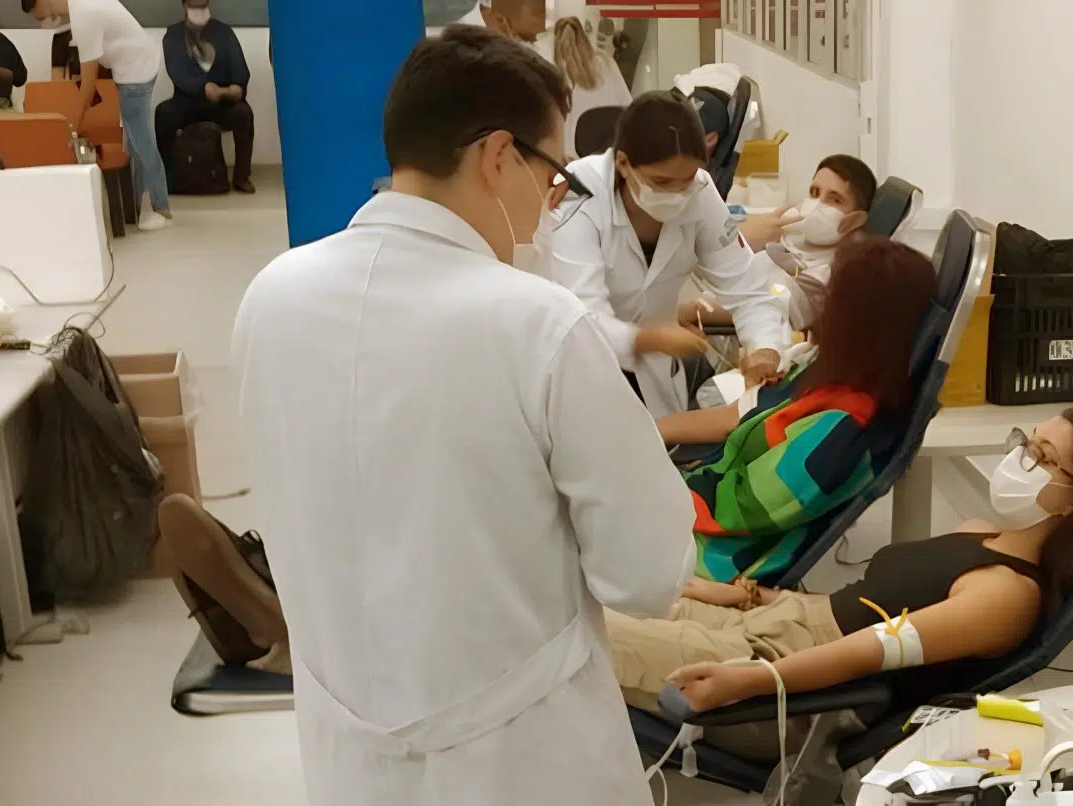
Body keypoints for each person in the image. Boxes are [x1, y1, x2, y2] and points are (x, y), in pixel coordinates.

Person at [232, 25, 695, 806]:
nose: (550, 204)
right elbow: (645, 575)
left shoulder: (272, 296)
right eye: (551, 176)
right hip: (529, 763)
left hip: (350, 759)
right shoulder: (538, 325)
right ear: (498, 156)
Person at [609, 407, 1073, 750]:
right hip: (776, 623)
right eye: (1026, 441)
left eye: (1041, 456)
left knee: (580, 630)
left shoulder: (1006, 595)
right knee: (604, 588)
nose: (1018, 458)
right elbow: (866, 603)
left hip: (788, 682)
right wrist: (748, 598)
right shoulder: (982, 532)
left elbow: (870, 649)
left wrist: (749, 682)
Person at [660, 237, 936, 584]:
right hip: (693, 510)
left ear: (858, 318)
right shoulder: (831, 378)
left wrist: (658, 488)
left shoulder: (844, 430)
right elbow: (742, 416)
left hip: (706, 556)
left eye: (833, 296)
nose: (822, 307)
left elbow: (741, 508)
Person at [549, 91, 789, 417]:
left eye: (686, 180)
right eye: (660, 181)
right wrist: (651, 339)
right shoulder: (577, 195)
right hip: (581, 379)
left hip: (657, 382)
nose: (677, 193)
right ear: (622, 163)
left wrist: (764, 350)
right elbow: (580, 319)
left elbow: (749, 289)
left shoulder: (700, 191)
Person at [685, 154, 878, 333]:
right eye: (814, 192)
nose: (816, 204)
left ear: (854, 220)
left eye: (834, 199)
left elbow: (769, 303)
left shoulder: (825, 274)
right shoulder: (796, 239)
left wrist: (690, 310)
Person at [25, 0, 172, 231]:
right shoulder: (82, 6)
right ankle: (139, 208)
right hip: (139, 64)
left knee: (142, 143)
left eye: (37, 14)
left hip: (135, 74)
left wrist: (72, 127)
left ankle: (160, 208)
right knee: (135, 142)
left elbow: (88, 86)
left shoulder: (85, 15)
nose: (40, 20)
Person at [157, 0, 255, 194]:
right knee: (163, 114)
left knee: (243, 114)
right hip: (187, 101)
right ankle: (167, 178)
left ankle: (241, 177)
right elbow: (177, 71)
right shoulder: (174, 34)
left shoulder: (224, 32)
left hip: (222, 102)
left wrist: (235, 88)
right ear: (184, 6)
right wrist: (202, 87)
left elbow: (239, 68)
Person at [552, 16, 629, 159]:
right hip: (610, 157)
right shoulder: (606, 63)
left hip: (572, 161)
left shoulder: (555, 71)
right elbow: (629, 107)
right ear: (584, 36)